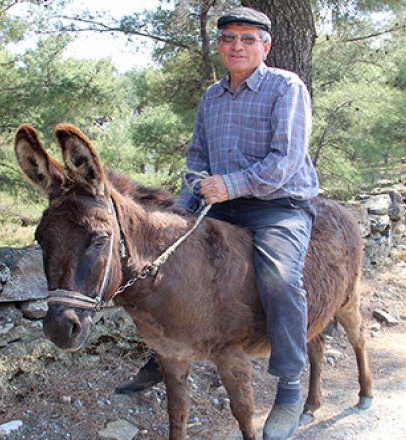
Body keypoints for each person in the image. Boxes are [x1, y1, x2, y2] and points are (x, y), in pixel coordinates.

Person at [115, 7, 318, 439]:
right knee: (160, 260)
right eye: (229, 38)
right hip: (219, 205)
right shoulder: (212, 96)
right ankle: (163, 352)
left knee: (280, 277)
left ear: (265, 45)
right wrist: (180, 209)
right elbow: (196, 159)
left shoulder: (286, 87)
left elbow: (287, 161)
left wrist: (231, 184)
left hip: (277, 204)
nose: (237, 46)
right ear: (221, 44)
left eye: (248, 39)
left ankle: (289, 386)